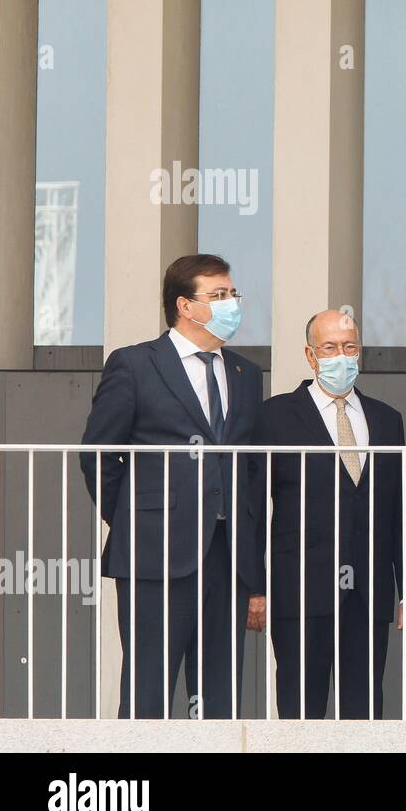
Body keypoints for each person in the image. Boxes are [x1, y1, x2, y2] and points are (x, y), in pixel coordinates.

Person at [80, 254, 262, 719]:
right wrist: (135, 520)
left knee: (221, 696)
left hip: (227, 553)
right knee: (148, 691)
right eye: (218, 295)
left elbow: (249, 468)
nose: (230, 304)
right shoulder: (135, 364)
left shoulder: (244, 374)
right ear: (185, 305)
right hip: (153, 553)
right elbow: (99, 455)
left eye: (232, 294)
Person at [247, 309, 406, 719]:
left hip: (369, 592)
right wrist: (254, 588)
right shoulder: (274, 416)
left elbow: (399, 506)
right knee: (300, 711)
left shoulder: (386, 419)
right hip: (300, 590)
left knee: (363, 714)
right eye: (330, 348)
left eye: (349, 347)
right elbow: (254, 508)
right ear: (311, 357)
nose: (341, 356)